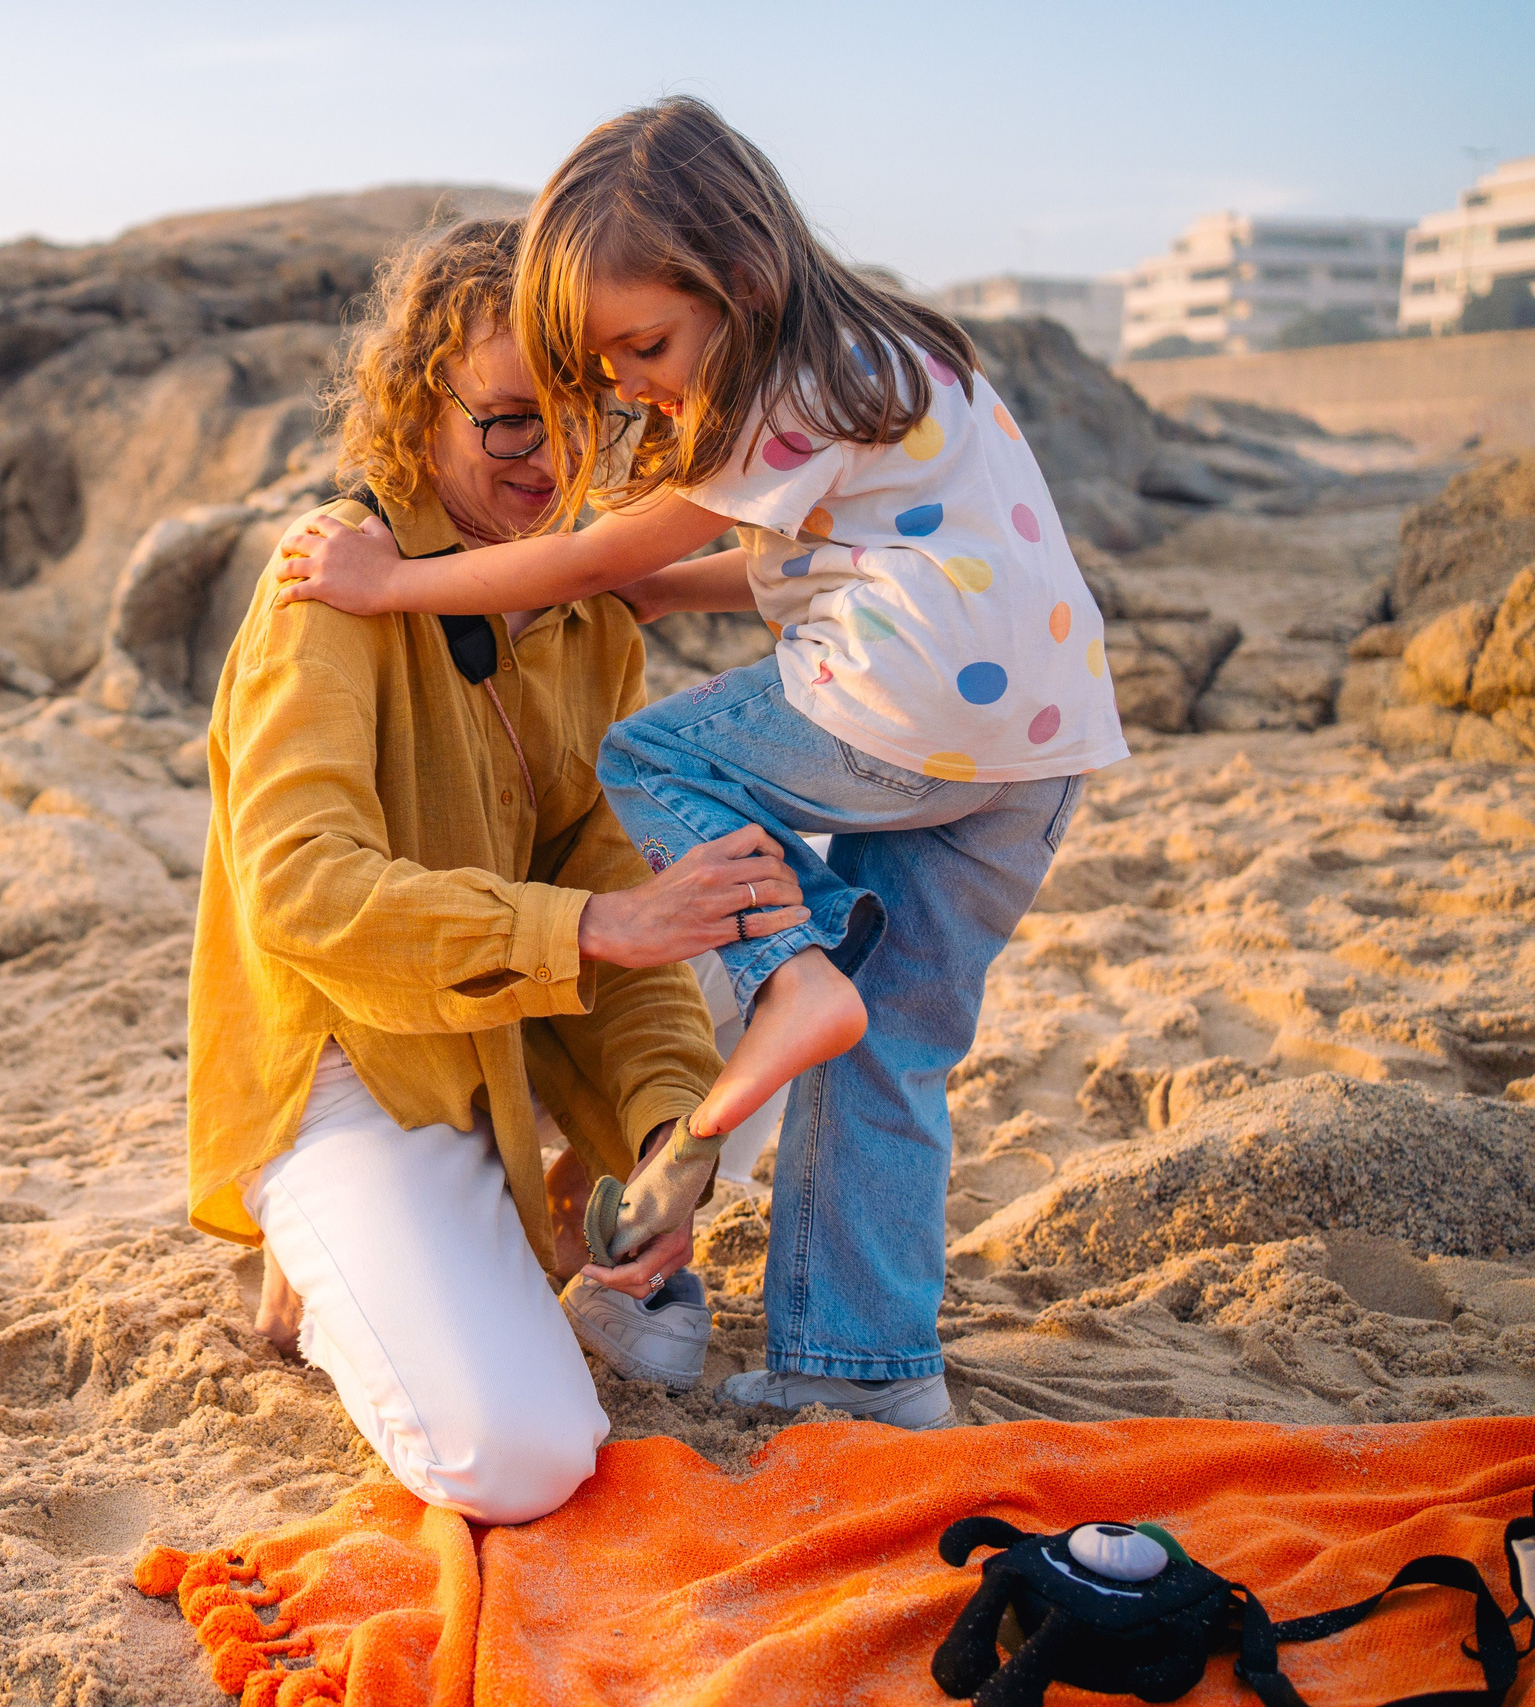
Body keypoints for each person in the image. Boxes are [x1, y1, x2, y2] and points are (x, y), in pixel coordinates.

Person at [276, 100, 1120, 1431]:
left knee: (653, 756)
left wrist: (395, 585)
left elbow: (587, 560)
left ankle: (789, 984)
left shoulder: (772, 390)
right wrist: (685, 596)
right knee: (893, 1045)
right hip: (1039, 745)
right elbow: (837, 558)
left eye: (644, 348)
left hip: (907, 714)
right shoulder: (894, 354)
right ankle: (871, 1375)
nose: (628, 391)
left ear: (742, 272)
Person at [187, 217, 811, 1525]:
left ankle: (567, 1246)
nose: (554, 459)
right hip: (361, 1065)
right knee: (517, 1460)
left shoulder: (583, 613)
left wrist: (661, 1136)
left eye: (580, 415)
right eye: (511, 423)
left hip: (505, 1042)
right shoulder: (329, 586)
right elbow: (301, 894)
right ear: (424, 401)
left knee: (800, 936)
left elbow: (612, 882)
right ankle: (326, 1255)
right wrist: (590, 929)